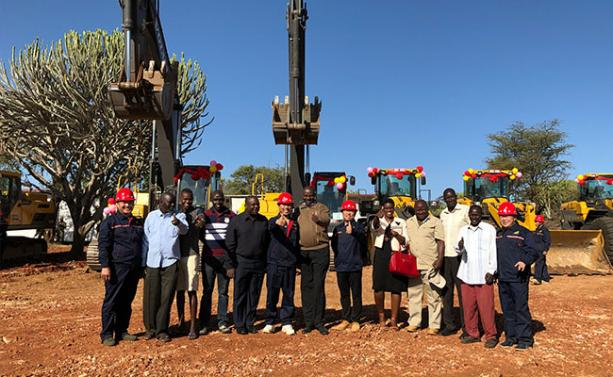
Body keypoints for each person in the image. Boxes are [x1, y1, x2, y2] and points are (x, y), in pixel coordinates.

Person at [98, 188, 144, 346]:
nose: (127, 205)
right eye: (124, 202)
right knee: (112, 301)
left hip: (133, 268)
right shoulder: (109, 223)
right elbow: (103, 246)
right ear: (117, 203)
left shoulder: (138, 223)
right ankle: (106, 334)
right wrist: (105, 266)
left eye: (130, 202)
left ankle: (122, 330)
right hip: (116, 268)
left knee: (126, 301)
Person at [142, 192, 188, 342]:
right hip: (153, 262)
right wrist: (144, 262)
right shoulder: (151, 216)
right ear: (160, 201)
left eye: (173, 202)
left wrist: (178, 223)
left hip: (170, 262)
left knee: (166, 298)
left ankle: (162, 330)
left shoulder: (178, 216)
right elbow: (146, 239)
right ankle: (150, 329)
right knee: (151, 296)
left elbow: (185, 230)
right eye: (169, 202)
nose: (172, 205)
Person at [496, 202, 540, 350]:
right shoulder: (498, 234)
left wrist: (525, 261)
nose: (504, 219)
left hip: (518, 278)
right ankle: (511, 337)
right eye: (502, 216)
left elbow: (534, 251)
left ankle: (525, 339)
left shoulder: (524, 233)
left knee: (520, 308)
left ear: (514, 217)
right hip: (503, 278)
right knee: (507, 309)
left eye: (507, 215)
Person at [226, 196, 270, 335]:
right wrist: (230, 266)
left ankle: (250, 322)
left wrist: (266, 264)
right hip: (241, 262)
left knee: (254, 294)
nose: (255, 207)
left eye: (257, 205)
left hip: (258, 263)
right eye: (252, 205)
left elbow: (267, 243)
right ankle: (239, 324)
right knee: (240, 294)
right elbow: (229, 245)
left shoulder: (264, 221)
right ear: (246, 205)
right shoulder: (236, 221)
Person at [455, 205, 498, 348]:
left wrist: (491, 271)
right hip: (466, 274)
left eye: (477, 215)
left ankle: (491, 335)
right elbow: (458, 250)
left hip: (483, 275)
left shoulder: (489, 230)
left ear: (481, 215)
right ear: (469, 215)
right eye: (472, 215)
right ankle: (472, 333)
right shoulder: (463, 230)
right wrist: (460, 247)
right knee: (469, 308)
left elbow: (493, 251)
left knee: (486, 308)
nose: (474, 217)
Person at [405, 200, 445, 335]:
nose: (420, 212)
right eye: (418, 210)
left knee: (433, 296)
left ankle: (434, 325)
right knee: (414, 295)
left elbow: (440, 242)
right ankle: (414, 322)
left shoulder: (435, 222)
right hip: (413, 265)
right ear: (414, 210)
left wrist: (439, 260)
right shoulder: (409, 222)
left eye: (423, 209)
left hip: (430, 264)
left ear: (428, 209)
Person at [263, 192, 300, 336]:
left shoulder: (295, 224)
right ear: (279, 206)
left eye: (289, 205)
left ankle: (286, 322)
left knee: (288, 294)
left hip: (289, 264)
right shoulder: (273, 221)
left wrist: (297, 263)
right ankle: (270, 321)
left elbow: (297, 244)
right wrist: (276, 223)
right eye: (283, 204)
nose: (286, 207)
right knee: (272, 293)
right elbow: (270, 228)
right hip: (274, 263)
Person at [199, 190, 236, 335]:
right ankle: (204, 323)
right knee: (207, 291)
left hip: (225, 260)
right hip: (209, 259)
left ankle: (222, 321)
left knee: (223, 292)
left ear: (224, 200)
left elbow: (233, 236)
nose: (218, 202)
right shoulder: (206, 215)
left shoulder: (231, 216)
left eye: (220, 199)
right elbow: (201, 235)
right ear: (211, 200)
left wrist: (230, 263)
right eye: (215, 199)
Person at [297, 186, 331, 335]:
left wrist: (319, 219)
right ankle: (308, 321)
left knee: (318, 286)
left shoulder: (322, 208)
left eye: (310, 195)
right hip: (304, 252)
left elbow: (326, 220)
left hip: (320, 251)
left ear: (314, 195)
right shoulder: (299, 210)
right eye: (306, 196)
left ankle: (319, 321)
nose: (308, 198)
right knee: (306, 286)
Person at [371, 199, 409, 330]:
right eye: (386, 208)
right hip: (381, 254)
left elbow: (405, 241)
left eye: (391, 208)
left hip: (395, 255)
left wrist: (397, 235)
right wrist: (377, 216)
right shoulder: (378, 220)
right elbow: (374, 227)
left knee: (396, 287)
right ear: (383, 208)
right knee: (378, 286)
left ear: (393, 209)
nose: (389, 211)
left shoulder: (401, 222)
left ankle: (394, 319)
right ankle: (381, 316)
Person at [331, 200, 366, 332]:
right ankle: (346, 319)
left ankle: (356, 319)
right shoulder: (337, 229)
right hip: (341, 266)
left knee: (356, 294)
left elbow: (363, 242)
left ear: (355, 213)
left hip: (355, 266)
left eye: (351, 211)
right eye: (346, 211)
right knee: (344, 294)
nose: (348, 213)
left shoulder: (359, 227)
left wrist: (354, 233)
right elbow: (334, 246)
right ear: (342, 213)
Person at [439, 188, 469, 336]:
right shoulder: (442, 214)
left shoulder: (465, 211)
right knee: (446, 292)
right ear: (444, 199)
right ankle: (449, 324)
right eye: (447, 198)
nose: (450, 200)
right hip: (445, 257)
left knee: (463, 292)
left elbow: (472, 229)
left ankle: (466, 326)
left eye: (452, 197)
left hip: (460, 258)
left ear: (456, 197)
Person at [175, 189, 205, 340]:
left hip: (192, 254)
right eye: (185, 199)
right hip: (176, 255)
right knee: (179, 291)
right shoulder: (175, 212)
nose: (187, 202)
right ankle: (181, 323)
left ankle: (193, 326)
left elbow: (200, 222)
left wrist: (196, 221)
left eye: (190, 200)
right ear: (180, 199)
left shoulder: (197, 212)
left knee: (191, 290)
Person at [532, 215, 551, 285]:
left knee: (538, 263)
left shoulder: (544, 230)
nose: (535, 223)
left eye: (536, 222)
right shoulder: (536, 230)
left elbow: (547, 241)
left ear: (540, 222)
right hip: (536, 250)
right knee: (542, 263)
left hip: (541, 250)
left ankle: (537, 278)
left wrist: (546, 249)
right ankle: (545, 278)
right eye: (535, 221)